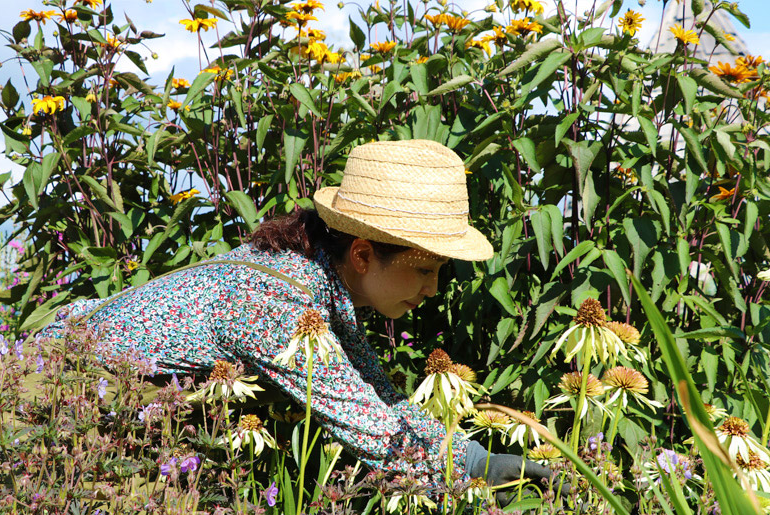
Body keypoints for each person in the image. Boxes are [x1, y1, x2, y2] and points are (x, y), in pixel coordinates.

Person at [42, 139, 555, 493]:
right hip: (54, 398)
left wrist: (471, 458)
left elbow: (376, 394)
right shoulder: (274, 301)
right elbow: (363, 425)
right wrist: (468, 479)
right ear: (361, 254)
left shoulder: (315, 282)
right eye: (425, 268)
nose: (434, 287)